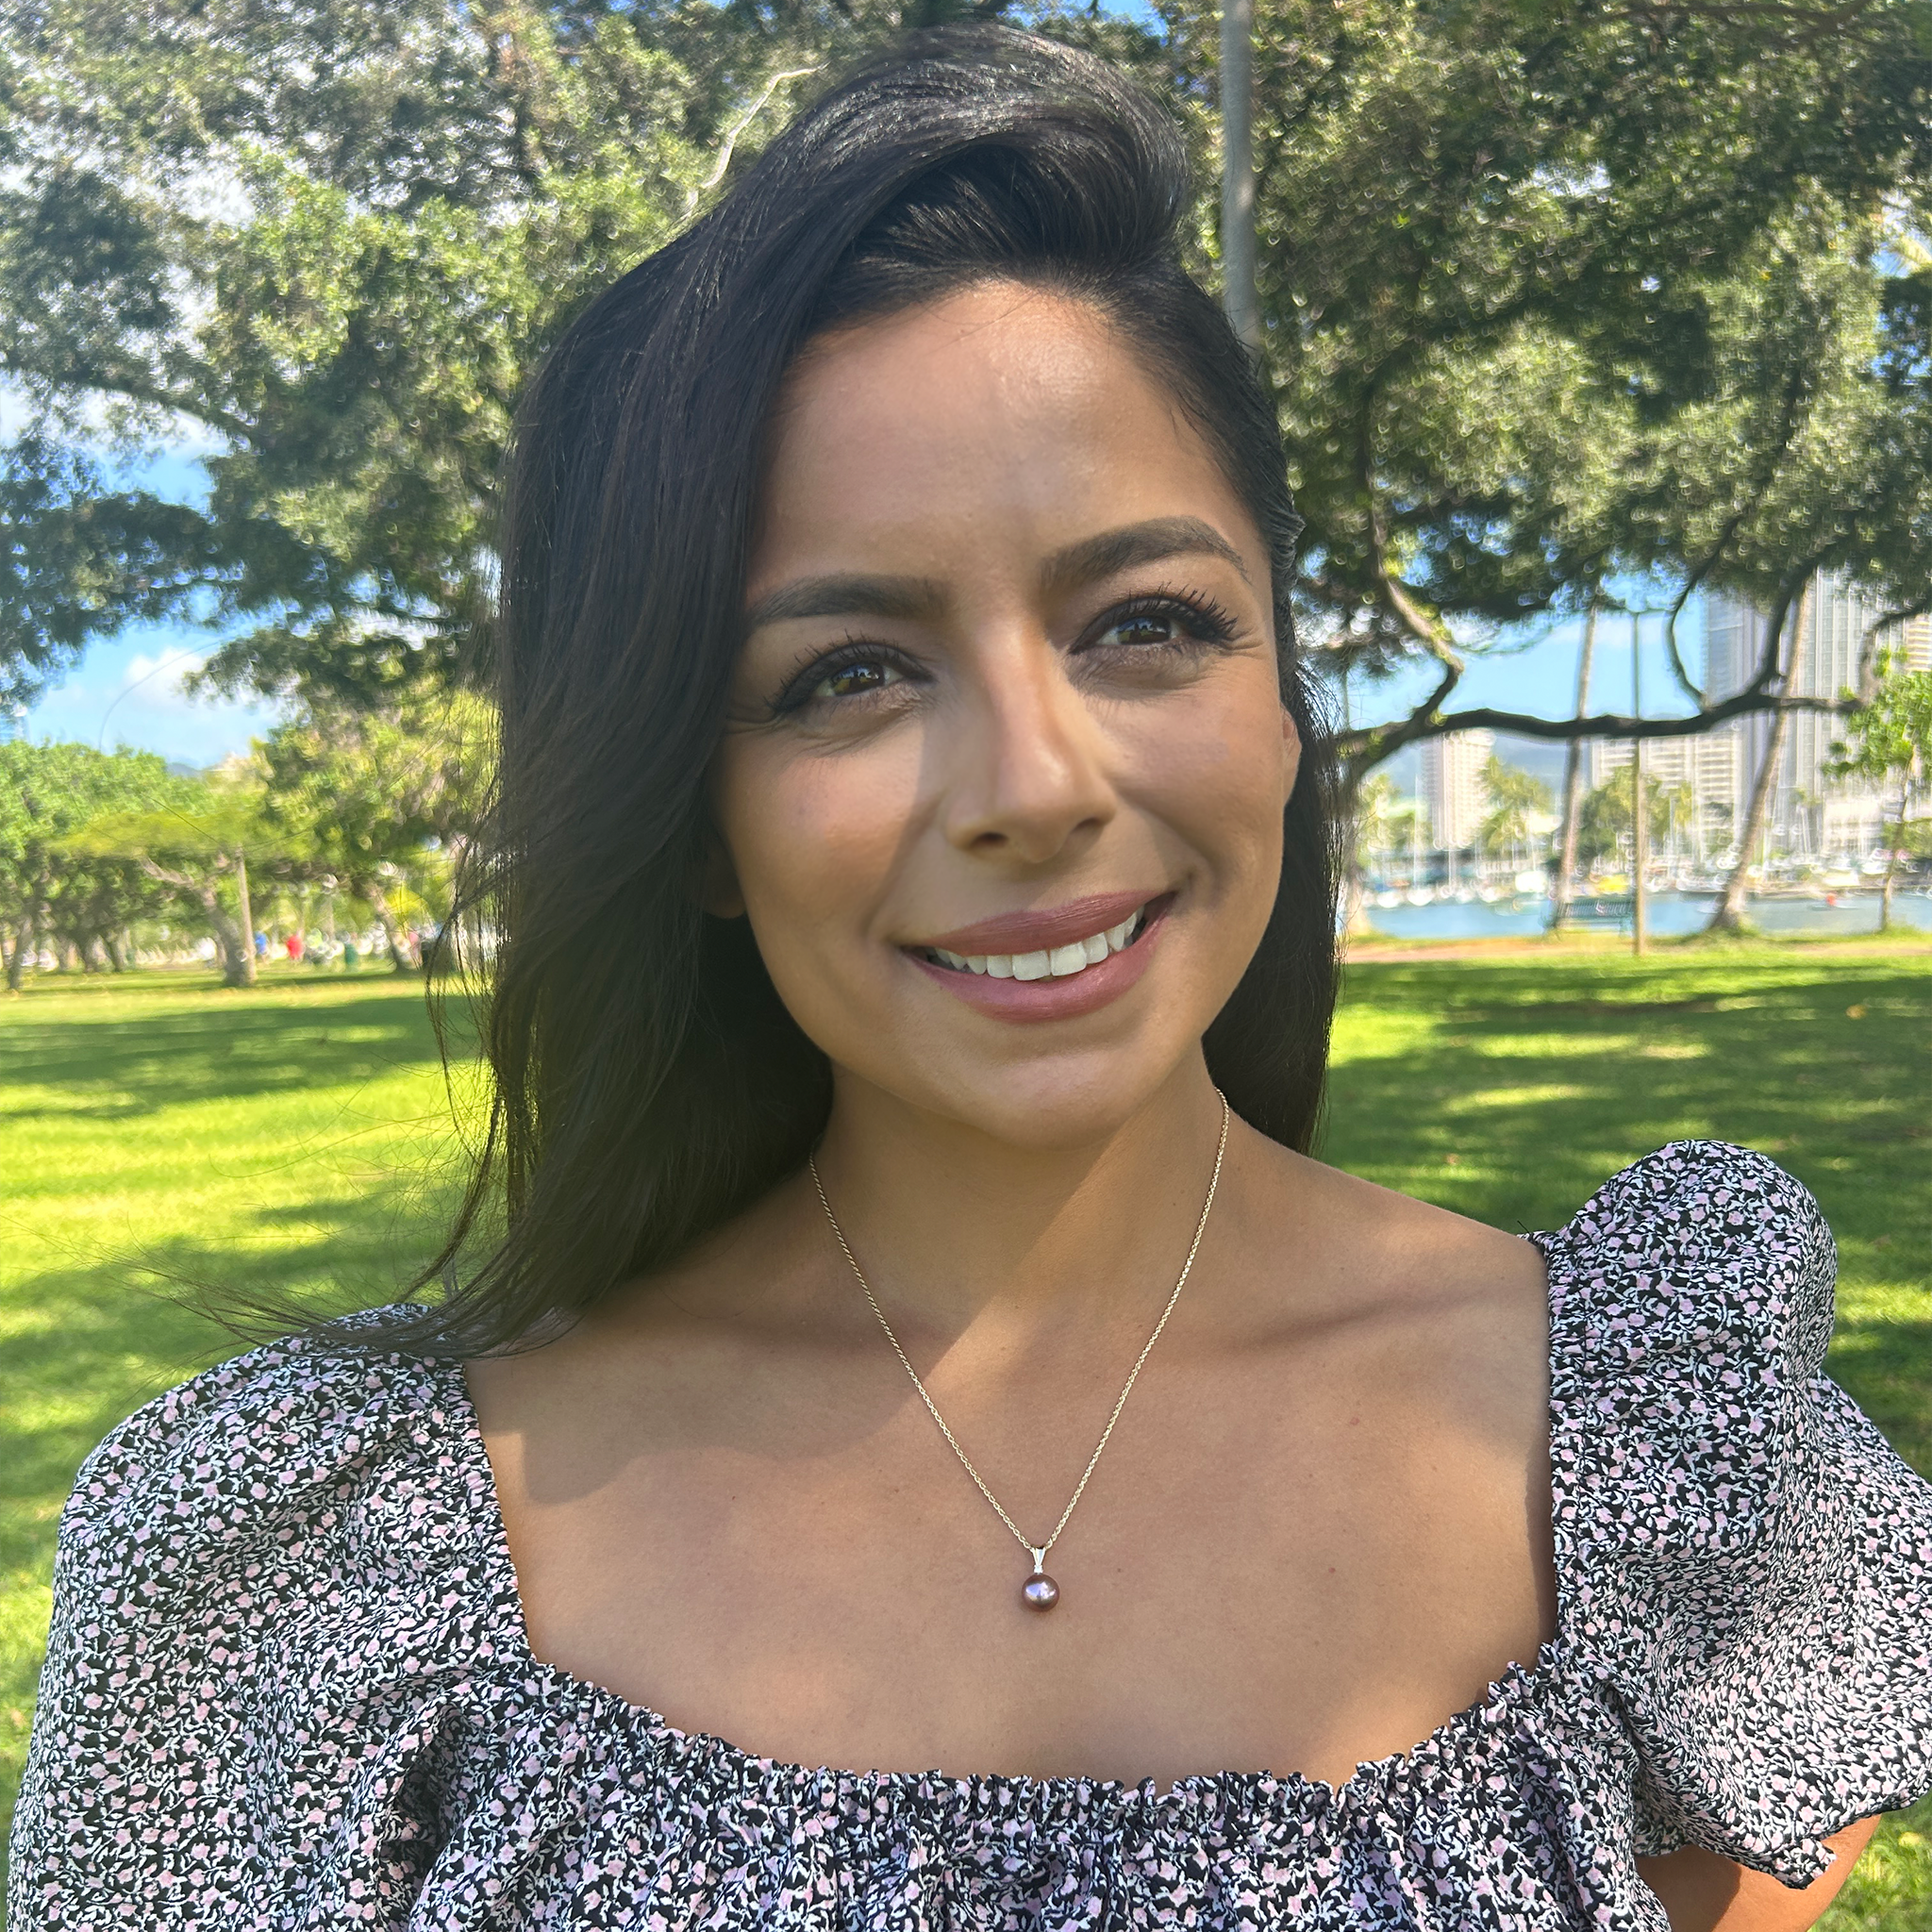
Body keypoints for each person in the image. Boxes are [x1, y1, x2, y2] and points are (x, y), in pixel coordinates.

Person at [9, 28, 1929, 1932]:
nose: (1033, 783)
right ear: (690, 809)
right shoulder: (294, 1557)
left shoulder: (1667, 1456)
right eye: (846, 671)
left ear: (1279, 705)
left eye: (1148, 624)